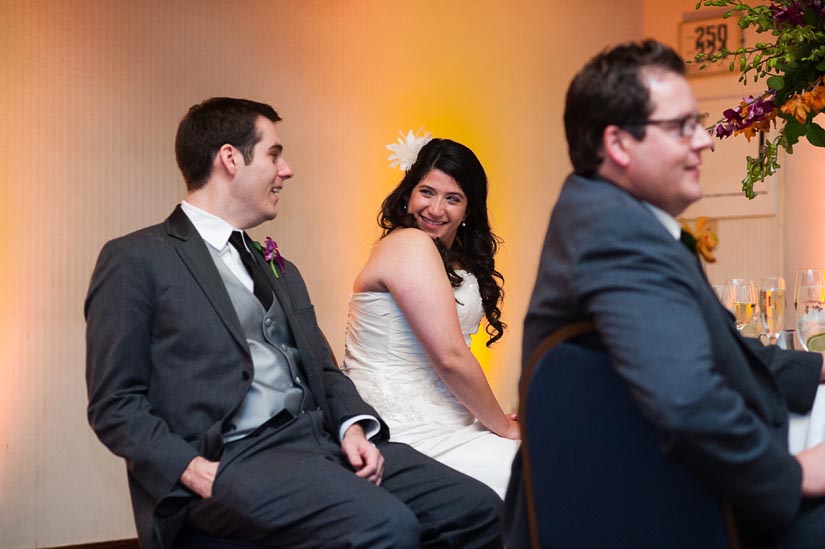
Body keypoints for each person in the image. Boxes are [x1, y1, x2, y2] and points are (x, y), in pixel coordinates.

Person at [85, 97, 503, 549]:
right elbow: (115, 402)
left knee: (480, 511)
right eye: (274, 154)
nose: (286, 170)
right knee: (385, 525)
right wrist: (187, 467)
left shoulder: (279, 268)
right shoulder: (137, 259)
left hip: (320, 444)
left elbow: (323, 369)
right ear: (230, 159)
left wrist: (353, 427)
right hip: (234, 458)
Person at [504, 40, 825, 548]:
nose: (705, 141)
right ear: (619, 144)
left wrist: (817, 369)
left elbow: (721, 350)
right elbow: (686, 399)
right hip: (666, 514)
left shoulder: (609, 217)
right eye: (682, 127)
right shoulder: (618, 236)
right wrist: (792, 474)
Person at [342, 138, 520, 499]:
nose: (435, 209)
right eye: (427, 192)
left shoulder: (456, 261)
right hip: (406, 428)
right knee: (534, 475)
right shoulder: (409, 243)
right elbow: (451, 358)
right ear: (408, 194)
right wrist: (503, 425)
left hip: (453, 420)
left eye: (452, 198)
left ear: (469, 209)